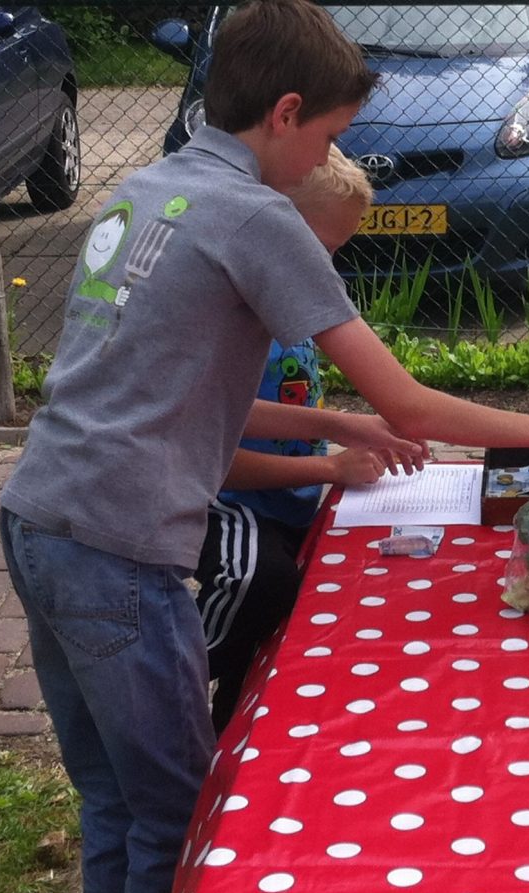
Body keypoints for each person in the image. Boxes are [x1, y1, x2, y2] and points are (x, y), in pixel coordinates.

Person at [0, 0, 529, 893]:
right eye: (331, 136)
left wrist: (337, 426)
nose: (331, 158)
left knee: (114, 799)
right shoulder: (260, 215)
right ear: (285, 113)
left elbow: (163, 391)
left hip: (40, 518)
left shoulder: (147, 188)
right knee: (181, 815)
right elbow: (405, 399)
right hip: (119, 547)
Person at [195, 146, 397, 735]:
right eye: (323, 248)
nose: (329, 267)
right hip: (233, 502)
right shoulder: (238, 315)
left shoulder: (289, 309)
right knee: (258, 580)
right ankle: (173, 676)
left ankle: (243, 713)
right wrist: (332, 461)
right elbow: (226, 435)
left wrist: (339, 430)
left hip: (292, 496)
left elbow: (289, 406)